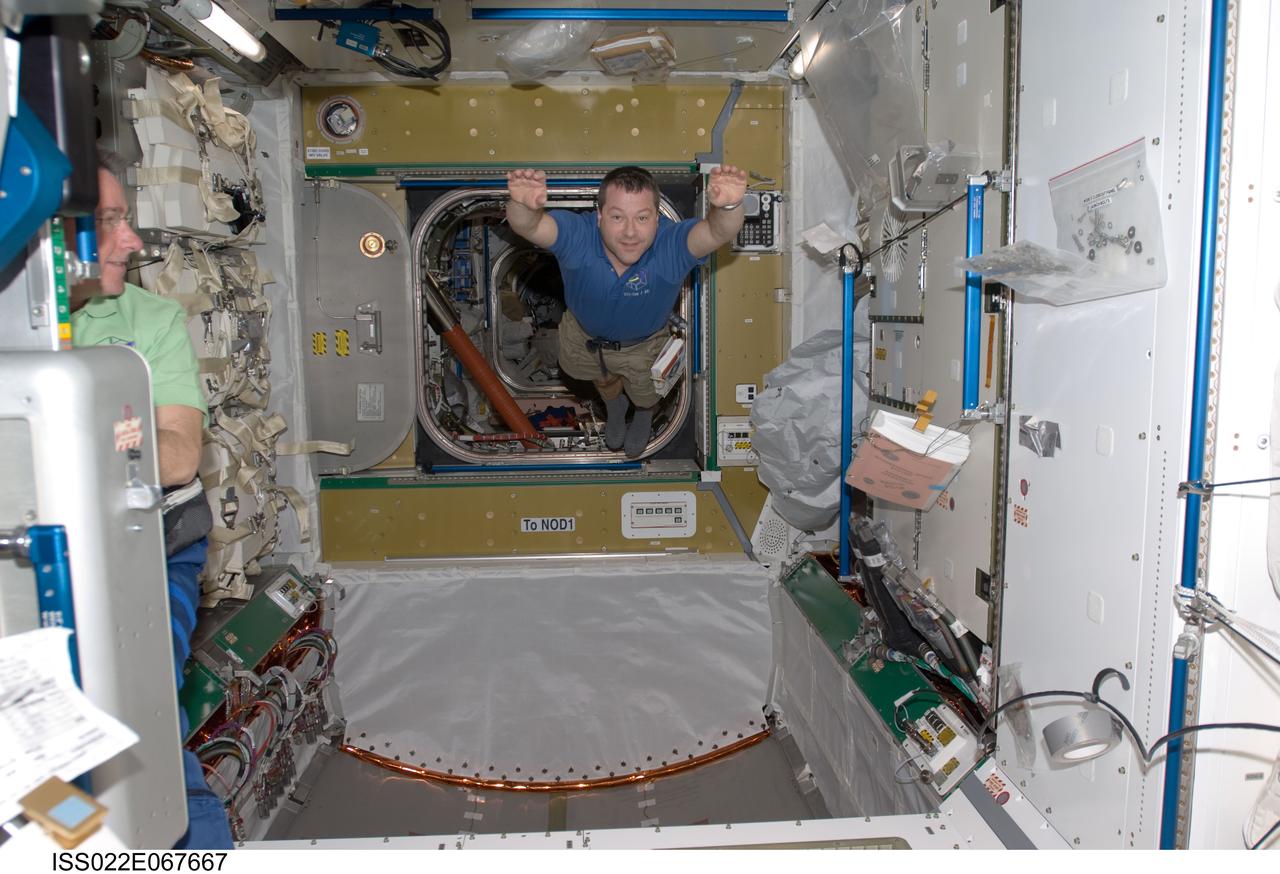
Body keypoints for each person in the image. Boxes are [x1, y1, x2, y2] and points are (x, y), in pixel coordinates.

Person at [70, 151, 233, 850]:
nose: (131, 242)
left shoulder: (149, 321)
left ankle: (190, 847)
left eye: (127, 221)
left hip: (152, 544)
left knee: (133, 719)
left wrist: (81, 443)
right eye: (109, 223)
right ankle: (73, 843)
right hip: (48, 559)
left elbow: (176, 455)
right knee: (59, 739)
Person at [506, 164, 747, 457]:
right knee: (600, 377)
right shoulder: (579, 236)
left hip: (643, 348)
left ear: (657, 220)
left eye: (642, 218)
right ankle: (615, 407)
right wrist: (521, 205)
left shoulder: (671, 246)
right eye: (617, 217)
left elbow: (716, 230)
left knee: (645, 394)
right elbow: (529, 226)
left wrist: (730, 205)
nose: (630, 232)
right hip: (584, 338)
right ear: (599, 217)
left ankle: (644, 413)